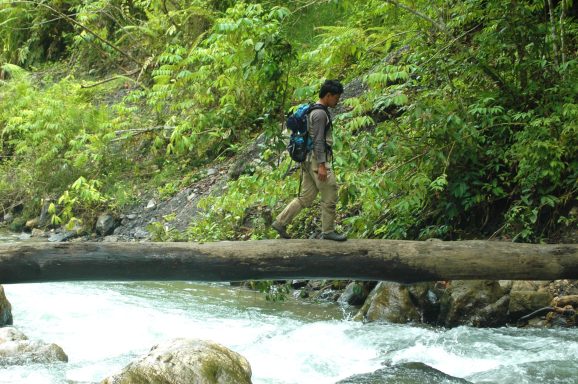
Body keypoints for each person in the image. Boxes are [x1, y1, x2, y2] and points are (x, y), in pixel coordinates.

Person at [272, 80, 347, 241]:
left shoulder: (312, 109)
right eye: (336, 97)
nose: (337, 100)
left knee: (306, 197)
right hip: (316, 160)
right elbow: (319, 140)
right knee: (330, 191)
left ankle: (280, 222)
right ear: (328, 95)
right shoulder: (320, 114)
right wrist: (321, 165)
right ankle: (328, 231)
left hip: (307, 158)